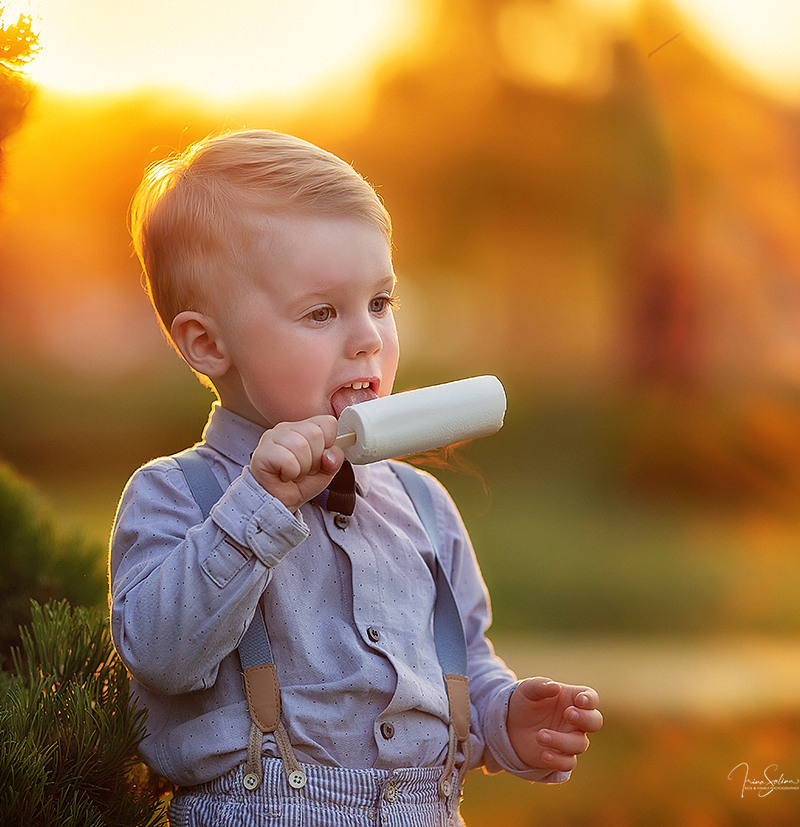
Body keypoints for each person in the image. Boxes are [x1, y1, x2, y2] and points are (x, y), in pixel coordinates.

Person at [110, 129, 602, 826]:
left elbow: (461, 660)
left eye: (380, 302)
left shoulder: (423, 504)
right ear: (208, 343)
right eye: (322, 312)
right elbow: (162, 655)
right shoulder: (176, 495)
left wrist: (505, 718)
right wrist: (257, 507)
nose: (369, 337)